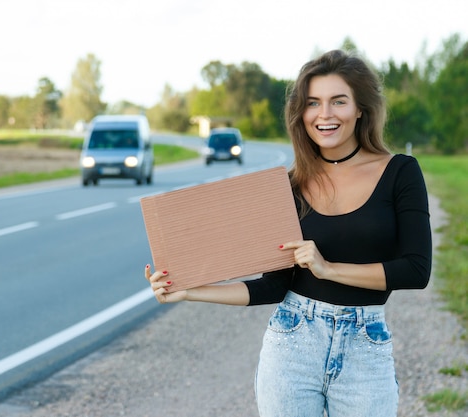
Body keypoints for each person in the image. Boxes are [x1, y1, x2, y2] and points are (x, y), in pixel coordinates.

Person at [145, 49, 432, 417]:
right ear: (302, 113)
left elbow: (415, 270)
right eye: (313, 103)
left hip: (366, 345)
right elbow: (272, 286)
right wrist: (190, 290)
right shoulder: (288, 187)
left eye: (338, 101)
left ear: (361, 108)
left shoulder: (400, 172)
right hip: (293, 344)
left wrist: (328, 268)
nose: (324, 114)